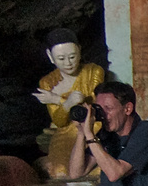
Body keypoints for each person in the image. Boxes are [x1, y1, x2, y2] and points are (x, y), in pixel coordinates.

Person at [34, 27, 107, 177]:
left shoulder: (94, 71)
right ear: (50, 56)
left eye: (72, 56)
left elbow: (89, 104)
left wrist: (56, 99)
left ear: (79, 51)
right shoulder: (48, 82)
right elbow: (60, 121)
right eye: (61, 59)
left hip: (94, 126)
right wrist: (66, 103)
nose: (68, 63)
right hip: (66, 131)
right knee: (60, 170)